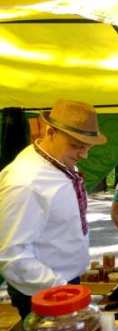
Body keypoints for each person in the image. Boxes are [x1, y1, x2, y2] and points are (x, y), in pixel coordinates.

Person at [0, 99, 107, 319]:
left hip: (64, 281)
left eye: (88, 146)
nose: (84, 155)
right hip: (45, 291)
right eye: (76, 145)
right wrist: (61, 290)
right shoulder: (26, 182)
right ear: (50, 132)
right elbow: (12, 255)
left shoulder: (56, 161)